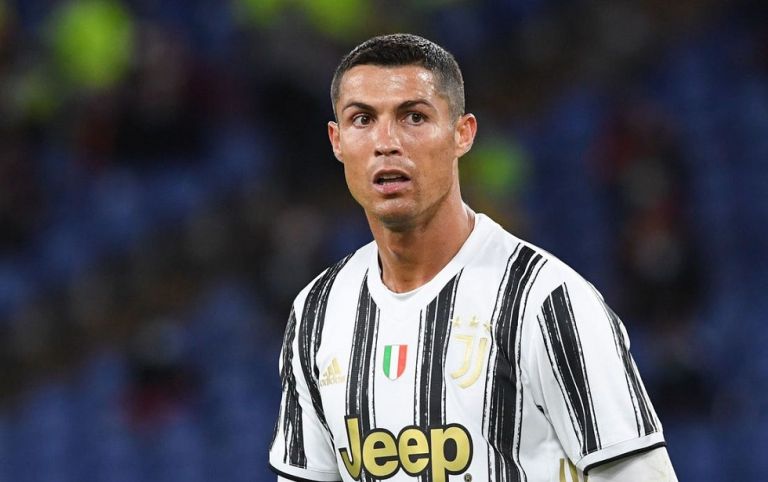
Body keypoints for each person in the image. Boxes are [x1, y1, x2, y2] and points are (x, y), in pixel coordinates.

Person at [269, 33, 678, 482]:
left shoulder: (548, 302)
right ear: (337, 141)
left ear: (462, 134)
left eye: (414, 117)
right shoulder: (316, 314)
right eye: (362, 119)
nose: (386, 142)